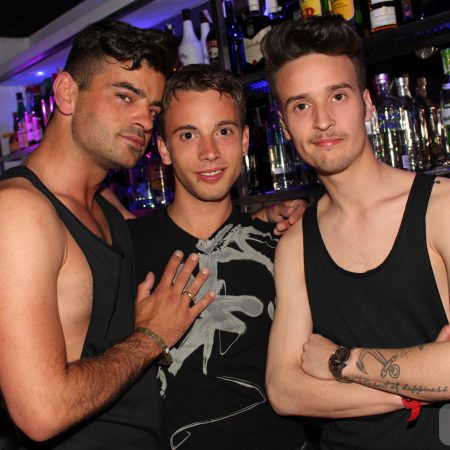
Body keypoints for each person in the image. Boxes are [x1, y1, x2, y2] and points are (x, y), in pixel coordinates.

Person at [0, 20, 217, 449]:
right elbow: (41, 412)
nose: (143, 120)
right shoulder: (19, 214)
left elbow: (172, 227)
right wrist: (151, 337)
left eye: (152, 109)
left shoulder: (100, 205)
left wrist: (273, 217)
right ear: (66, 93)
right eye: (124, 96)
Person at [260, 14, 450, 450]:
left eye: (338, 96)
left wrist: (341, 361)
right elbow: (284, 390)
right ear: (285, 126)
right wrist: (416, 388)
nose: (322, 121)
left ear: (366, 104)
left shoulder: (440, 208)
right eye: (301, 105)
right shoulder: (295, 243)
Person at [128, 64, 311, 450]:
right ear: (163, 149)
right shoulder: (125, 250)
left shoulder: (283, 243)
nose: (209, 152)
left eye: (223, 131)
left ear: (244, 140)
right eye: (188, 134)